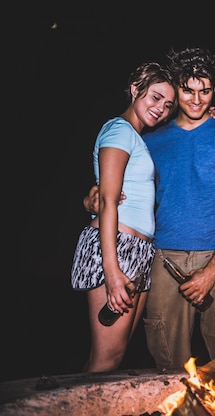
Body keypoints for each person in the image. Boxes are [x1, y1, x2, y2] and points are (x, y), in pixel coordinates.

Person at [85, 47, 215, 370]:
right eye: (188, 90)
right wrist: (90, 197)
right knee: (166, 366)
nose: (196, 99)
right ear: (177, 87)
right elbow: (120, 183)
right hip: (162, 259)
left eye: (205, 91)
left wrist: (212, 271)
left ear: (214, 91)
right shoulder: (150, 142)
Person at [71, 62, 176, 372]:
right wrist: (112, 271)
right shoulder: (119, 130)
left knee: (112, 358)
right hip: (116, 247)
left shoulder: (137, 137)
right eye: (155, 97)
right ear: (135, 90)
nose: (161, 109)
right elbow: (106, 199)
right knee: (106, 361)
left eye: (168, 104)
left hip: (137, 250)